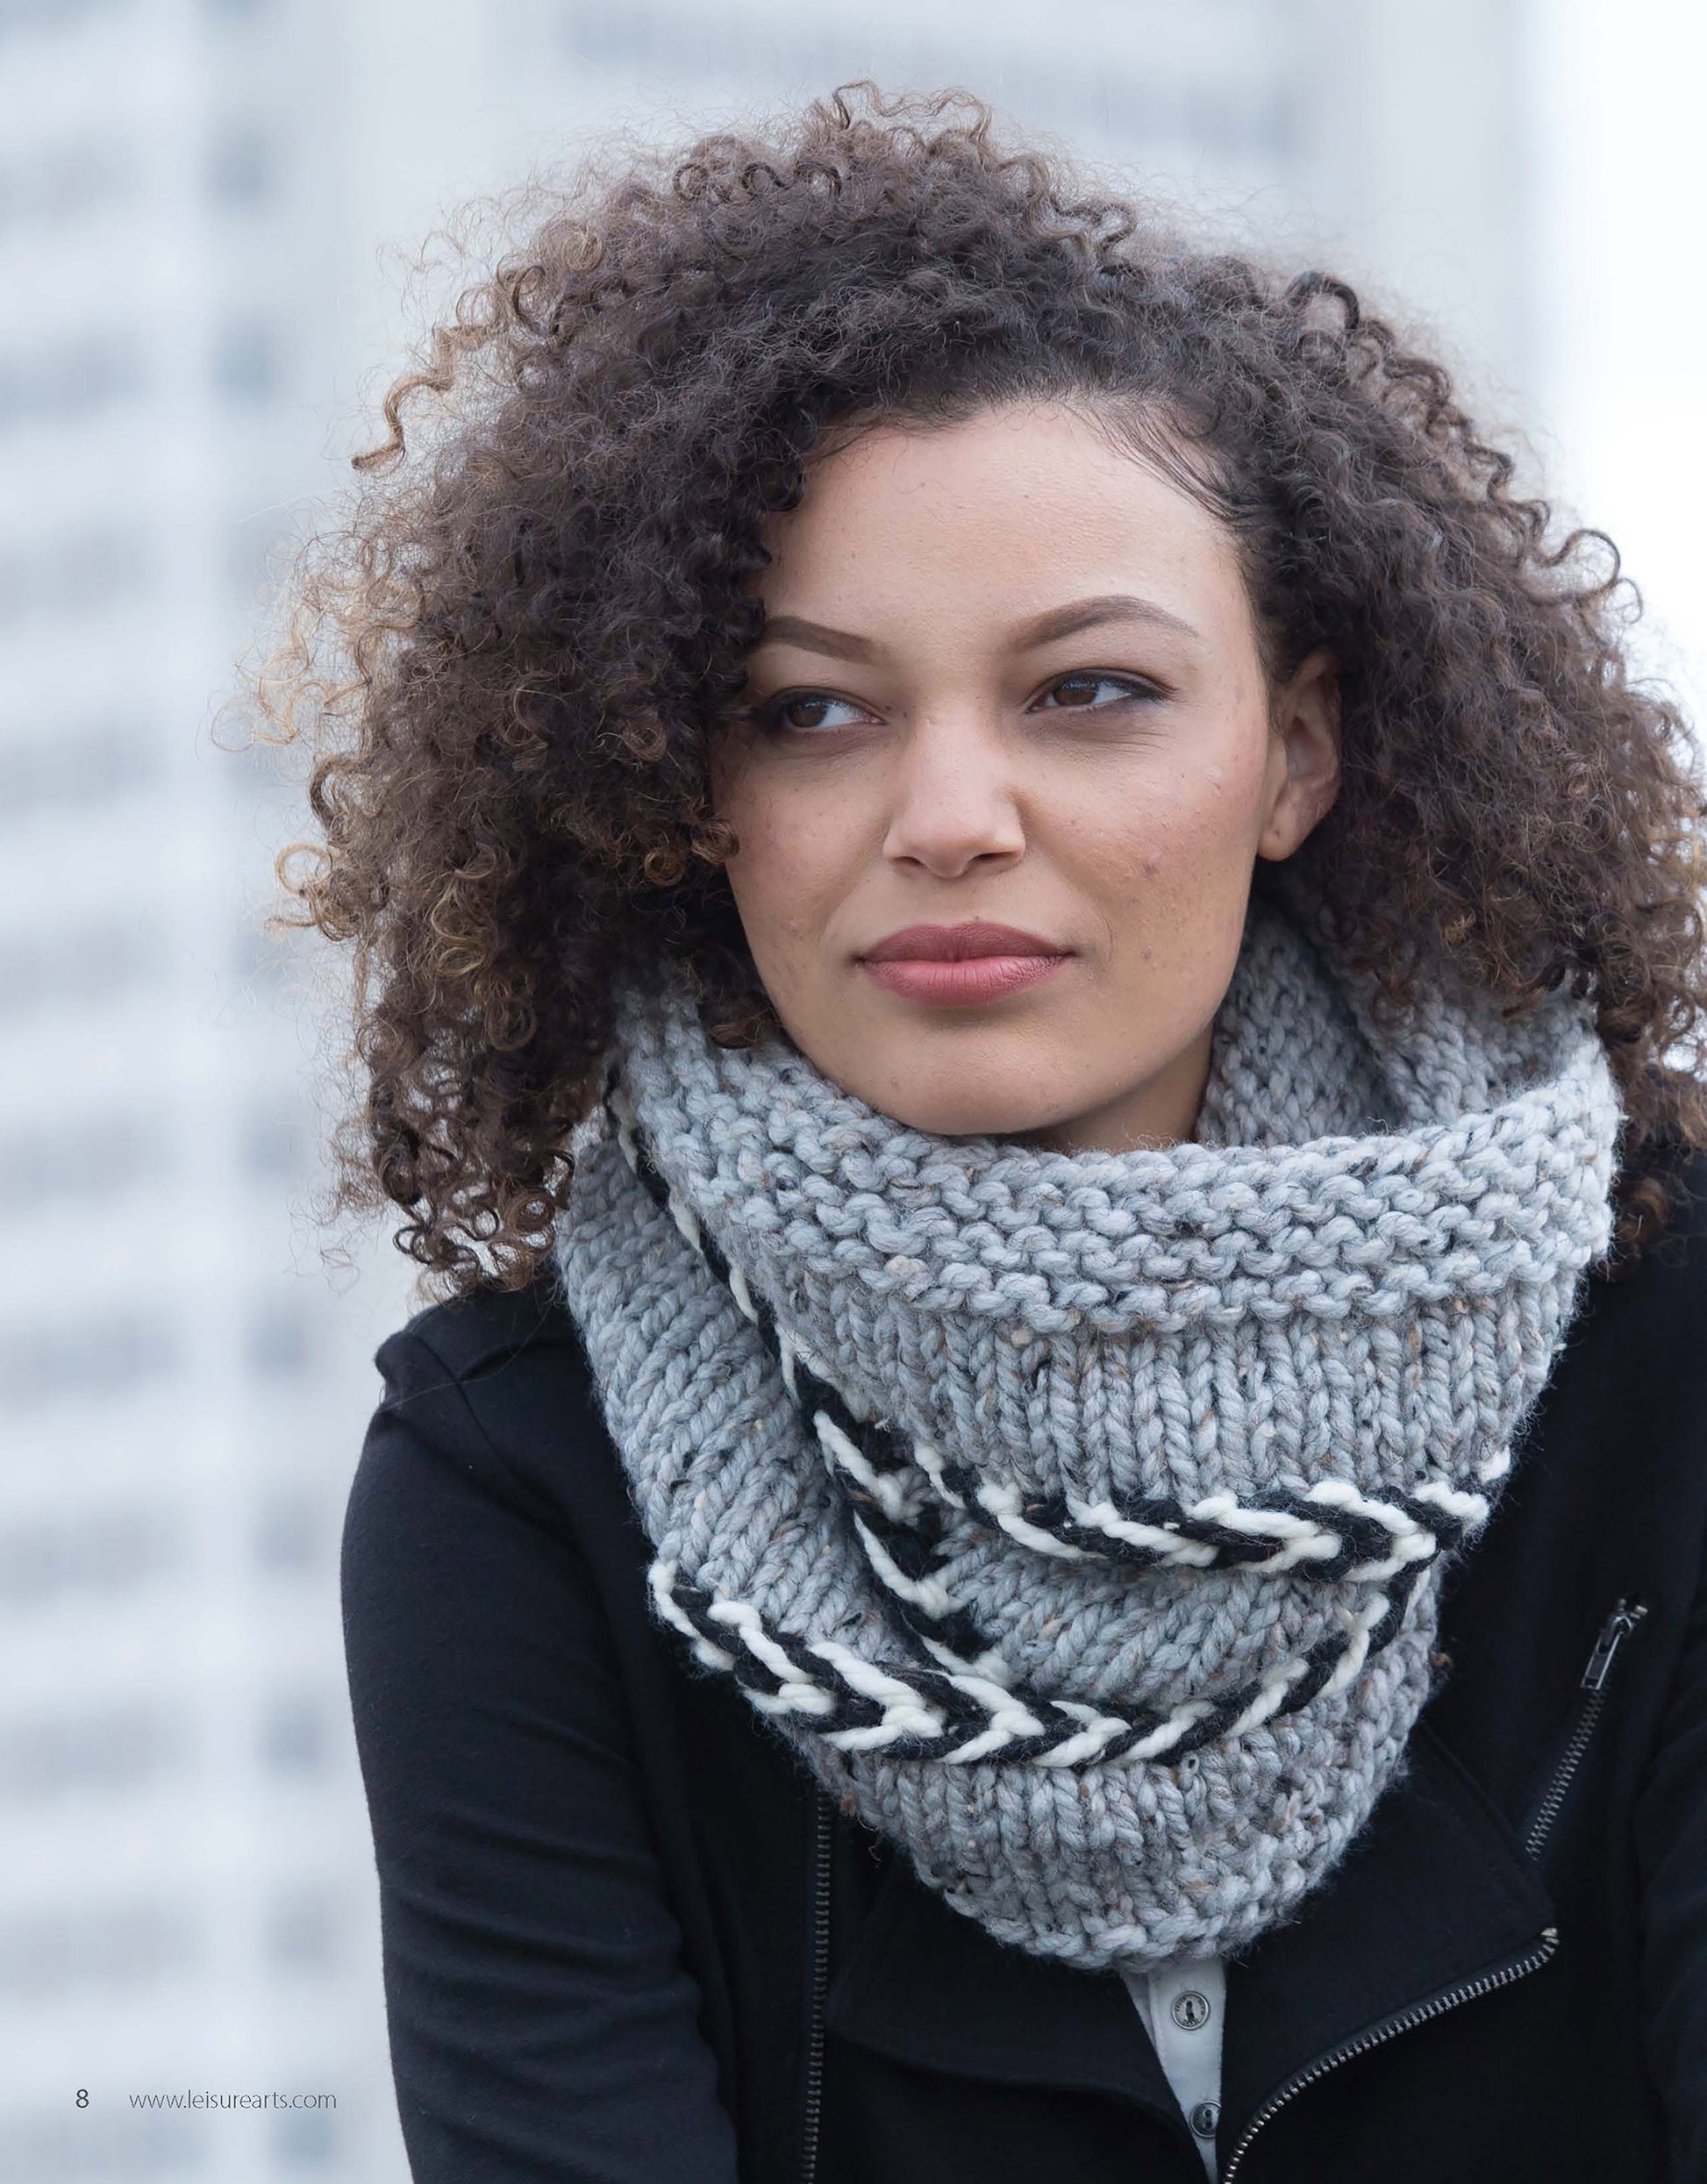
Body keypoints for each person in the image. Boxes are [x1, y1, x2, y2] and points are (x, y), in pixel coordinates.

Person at [274, 87, 1707, 2182]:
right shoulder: (515, 1482)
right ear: (680, 784)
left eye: (1090, 691)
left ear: (1295, 748)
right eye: (813, 710)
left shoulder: (1663, 1357)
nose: (948, 814)